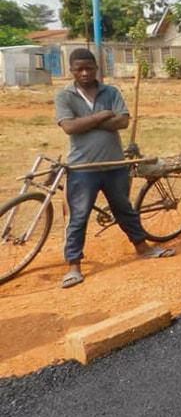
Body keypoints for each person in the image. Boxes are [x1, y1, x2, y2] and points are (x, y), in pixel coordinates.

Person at [54, 48, 174, 289]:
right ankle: (74, 266)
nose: (85, 73)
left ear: (97, 68)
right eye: (80, 69)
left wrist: (89, 121)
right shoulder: (65, 96)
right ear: (72, 71)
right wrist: (103, 116)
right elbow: (69, 127)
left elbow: (123, 121)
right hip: (82, 167)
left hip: (115, 165)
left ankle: (142, 248)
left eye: (89, 68)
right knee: (78, 217)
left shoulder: (111, 91)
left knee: (124, 209)